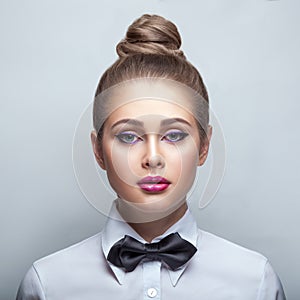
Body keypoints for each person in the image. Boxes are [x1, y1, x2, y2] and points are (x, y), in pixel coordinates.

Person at [16, 14, 286, 300]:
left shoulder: (256, 282)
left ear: (204, 146)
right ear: (98, 151)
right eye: (128, 137)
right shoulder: (46, 284)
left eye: (175, 135)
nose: (153, 158)